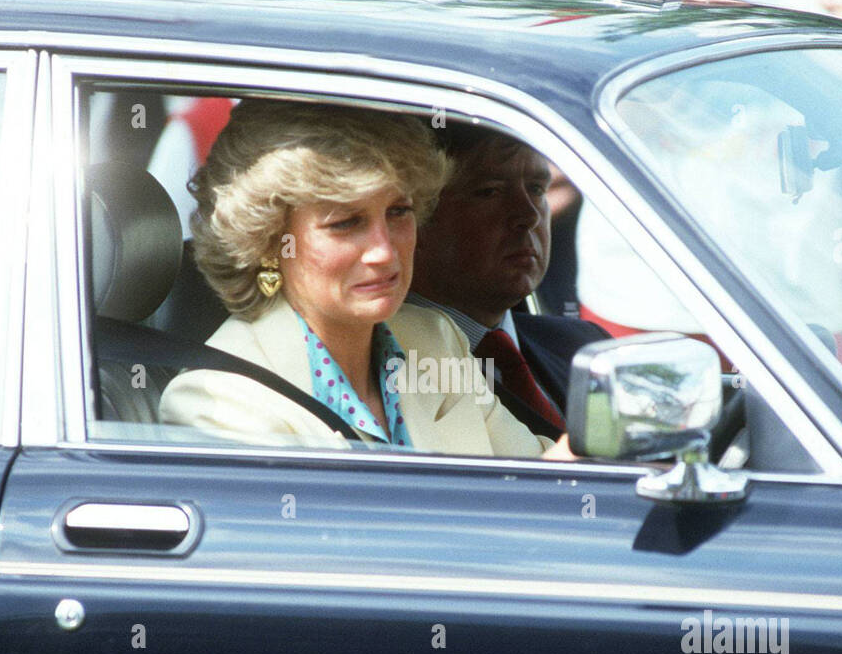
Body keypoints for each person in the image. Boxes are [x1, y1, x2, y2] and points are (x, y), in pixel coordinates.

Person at [159, 101, 572, 459]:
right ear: (269, 241)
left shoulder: (434, 339)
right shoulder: (217, 400)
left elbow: (542, 485)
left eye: (399, 212)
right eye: (346, 223)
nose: (385, 251)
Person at [407, 123, 610, 438]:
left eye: (537, 189)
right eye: (489, 191)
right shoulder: (387, 370)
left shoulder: (585, 349)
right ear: (415, 218)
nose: (528, 215)